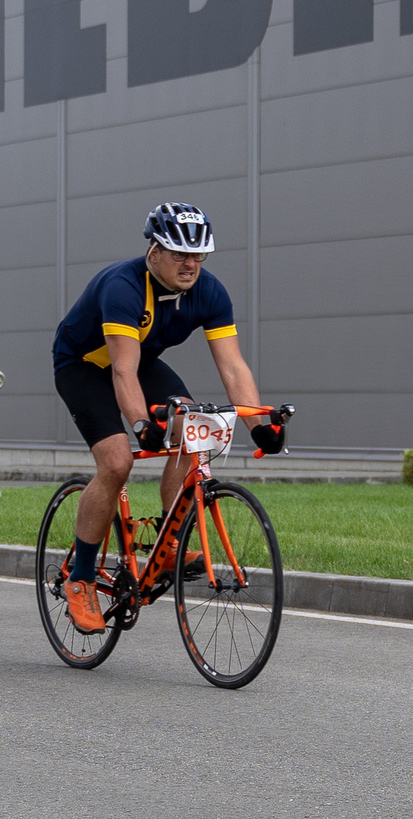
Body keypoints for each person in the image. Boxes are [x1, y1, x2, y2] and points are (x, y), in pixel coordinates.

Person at [48, 203, 279, 633]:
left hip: (141, 361)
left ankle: (167, 547)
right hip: (83, 366)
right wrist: (140, 424)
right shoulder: (123, 287)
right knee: (117, 462)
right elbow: (120, 371)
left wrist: (259, 425)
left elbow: (232, 367)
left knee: (194, 430)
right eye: (179, 254)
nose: (190, 264)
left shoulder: (210, 292)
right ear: (154, 251)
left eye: (198, 255)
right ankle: (79, 578)